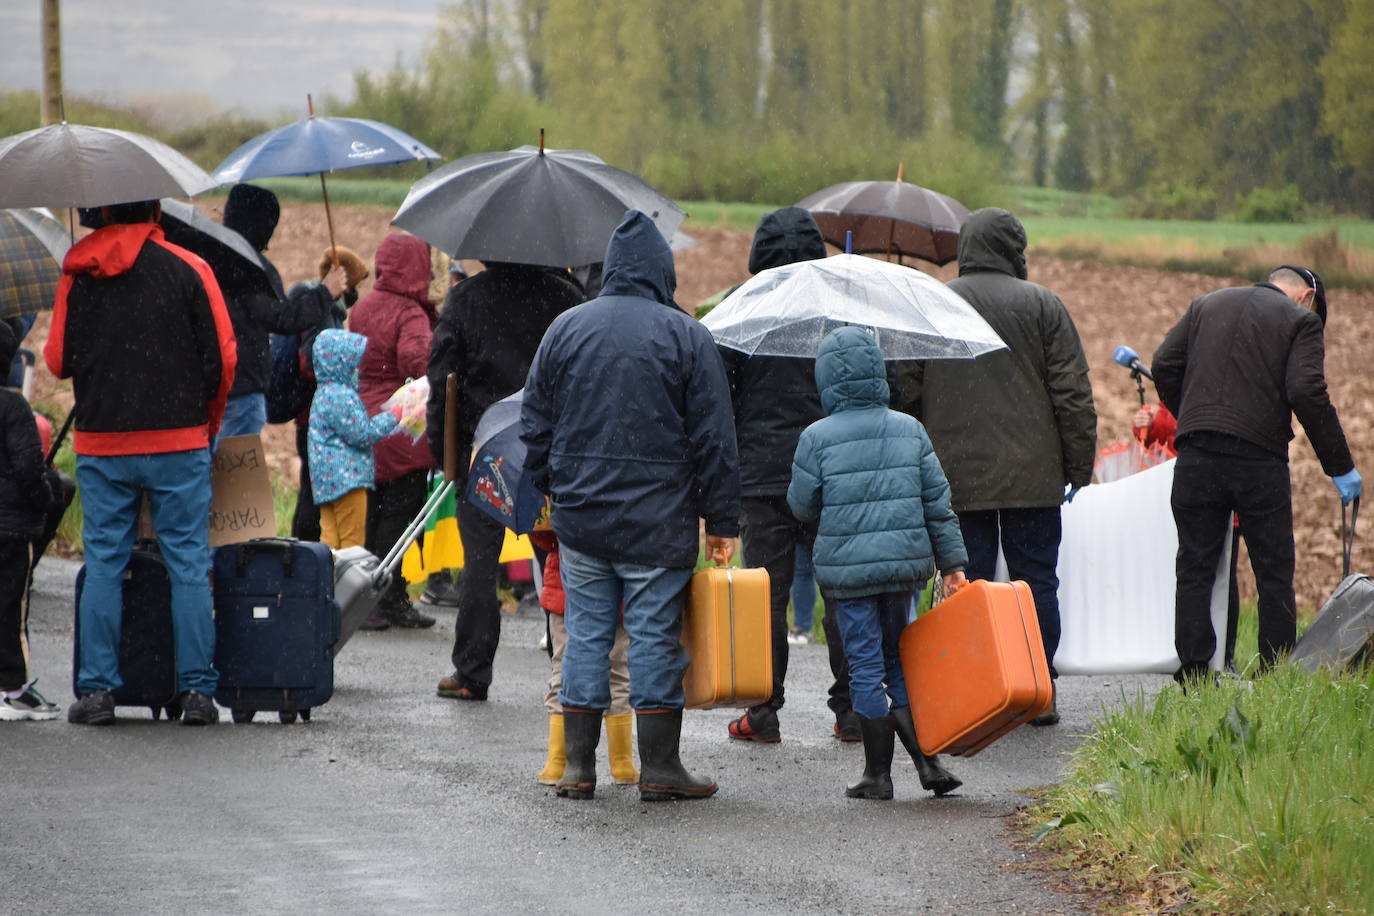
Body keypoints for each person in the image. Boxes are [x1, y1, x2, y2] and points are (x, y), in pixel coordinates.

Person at [522, 210, 741, 802]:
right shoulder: (687, 335)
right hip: (659, 523)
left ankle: (577, 769)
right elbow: (715, 438)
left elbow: (534, 424)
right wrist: (722, 521)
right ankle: (661, 768)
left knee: (588, 636)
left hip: (583, 520)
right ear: (662, 271)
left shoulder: (565, 329)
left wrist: (551, 484)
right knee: (652, 639)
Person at [900, 207, 1096, 726]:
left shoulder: (933, 304)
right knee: (1037, 583)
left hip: (955, 478)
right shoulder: (1044, 306)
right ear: (1016, 251)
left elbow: (905, 391)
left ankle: (977, 691)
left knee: (968, 585)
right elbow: (1072, 392)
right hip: (1033, 476)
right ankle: (1040, 690)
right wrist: (1079, 465)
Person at [45, 199, 237, 727]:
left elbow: (58, 361)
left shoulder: (79, 271)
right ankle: (198, 693)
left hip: (103, 444)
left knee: (105, 564)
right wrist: (207, 422)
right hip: (179, 442)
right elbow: (222, 360)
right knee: (188, 565)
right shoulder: (190, 269)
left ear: (103, 212)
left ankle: (99, 692)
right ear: (155, 211)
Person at [1152, 265, 1360, 681]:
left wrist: (1193, 417)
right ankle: (1273, 674)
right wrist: (1341, 466)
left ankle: (1194, 673)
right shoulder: (1300, 321)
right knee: (1273, 571)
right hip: (1258, 460)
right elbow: (1306, 390)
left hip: (1196, 456)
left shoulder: (1206, 304)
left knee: (1194, 565)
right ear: (1306, 297)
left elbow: (1163, 365)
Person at [788, 326, 968, 799]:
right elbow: (937, 504)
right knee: (897, 660)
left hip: (848, 574)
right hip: (904, 570)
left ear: (825, 380)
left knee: (865, 665)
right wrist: (952, 564)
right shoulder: (910, 428)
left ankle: (878, 775)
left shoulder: (816, 437)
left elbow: (801, 506)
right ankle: (928, 764)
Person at [717, 206, 861, 743]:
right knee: (842, 591)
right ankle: (851, 711)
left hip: (760, 475)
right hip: (833, 471)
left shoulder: (740, 306)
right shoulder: (840, 307)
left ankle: (762, 710)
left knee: (766, 599)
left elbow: (719, 396)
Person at [426, 259, 584, 700]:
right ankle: (567, 662)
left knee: (480, 560)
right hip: (547, 449)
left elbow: (443, 379)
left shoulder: (467, 299)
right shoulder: (567, 299)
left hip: (485, 450)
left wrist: (443, 450)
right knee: (556, 559)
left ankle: (472, 672)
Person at [349, 233, 438, 629]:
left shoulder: (363, 306)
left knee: (372, 513)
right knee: (401, 518)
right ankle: (386, 598)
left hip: (365, 419)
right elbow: (416, 361)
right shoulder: (411, 314)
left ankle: (367, 595)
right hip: (402, 424)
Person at [217, 183, 341, 443]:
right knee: (237, 480)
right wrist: (326, 292)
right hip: (242, 387)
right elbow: (283, 318)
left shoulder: (205, 254)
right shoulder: (250, 266)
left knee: (210, 474)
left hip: (207, 387)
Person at [529, 528, 638, 788]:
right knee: (619, 673)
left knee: (563, 672)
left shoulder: (564, 495)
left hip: (564, 593)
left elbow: (543, 536)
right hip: (617, 589)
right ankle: (622, 762)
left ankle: (557, 761)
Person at [287, 245, 369, 544]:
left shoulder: (328, 312)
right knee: (313, 495)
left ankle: (303, 557)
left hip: (314, 418)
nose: (356, 292)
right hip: (315, 419)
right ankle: (303, 558)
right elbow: (311, 361)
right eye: (355, 284)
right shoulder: (321, 314)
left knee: (314, 492)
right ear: (342, 282)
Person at [0, 322, 60, 721]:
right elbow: (27, 467)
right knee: (9, 606)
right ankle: (11, 687)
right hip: (9, 527)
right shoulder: (12, 406)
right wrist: (45, 500)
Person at [307, 329, 402, 550]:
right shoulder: (342, 395)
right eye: (354, 362)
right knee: (352, 542)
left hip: (325, 483)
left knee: (330, 539)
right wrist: (392, 417)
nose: (357, 368)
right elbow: (362, 434)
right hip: (348, 480)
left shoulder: (323, 393)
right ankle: (348, 582)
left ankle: (327, 580)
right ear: (342, 363)